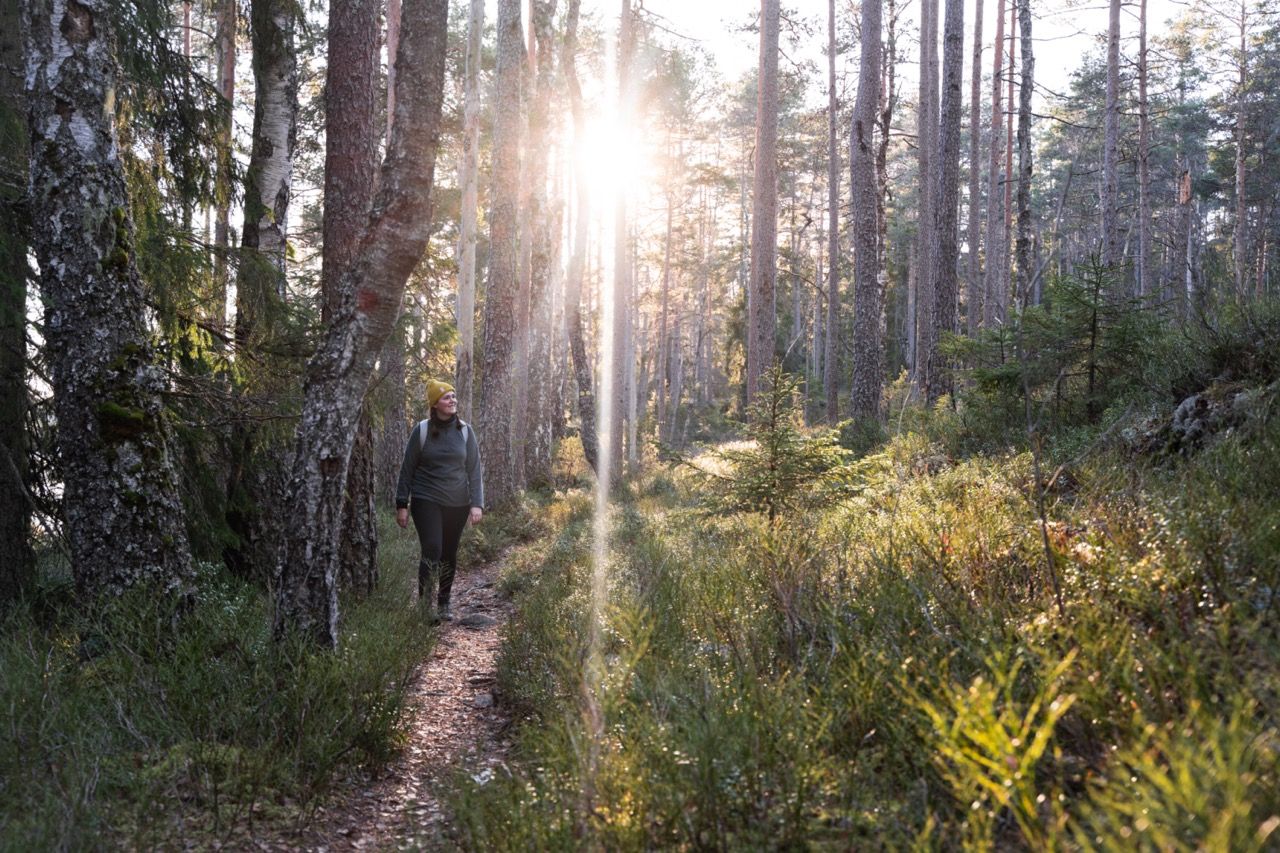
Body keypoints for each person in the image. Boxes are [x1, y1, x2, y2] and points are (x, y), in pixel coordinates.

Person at [395, 379, 484, 620]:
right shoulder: (422, 430)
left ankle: (444, 603)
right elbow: (407, 469)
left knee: (449, 552)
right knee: (432, 548)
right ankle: (425, 606)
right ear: (435, 404)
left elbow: (474, 469)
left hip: (458, 502)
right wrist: (401, 504)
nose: (452, 400)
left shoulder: (465, 431)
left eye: (453, 396)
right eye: (447, 397)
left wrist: (477, 503)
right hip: (426, 498)